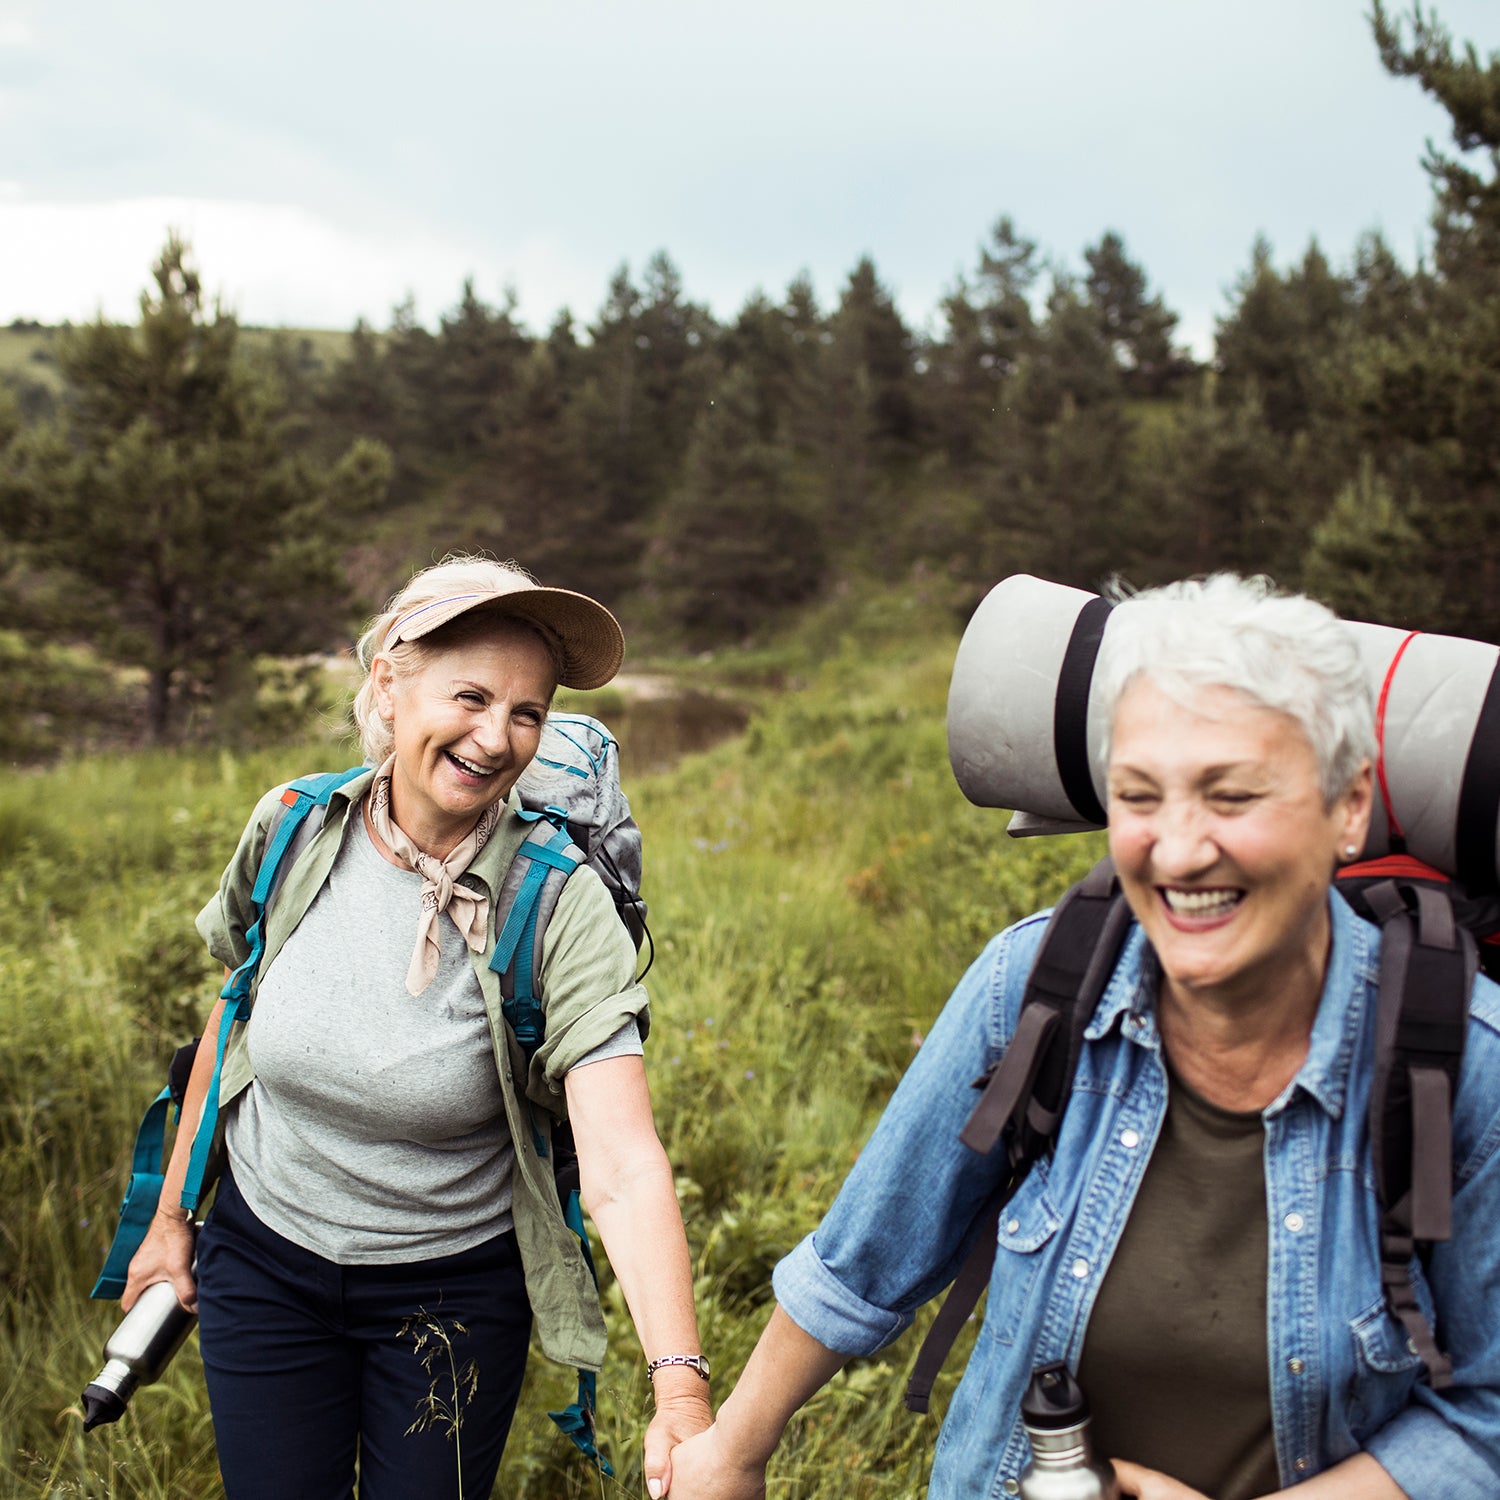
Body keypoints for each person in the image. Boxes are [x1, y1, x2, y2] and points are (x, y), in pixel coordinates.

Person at [669, 575, 1500, 1500]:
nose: (1179, 852)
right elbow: (867, 1254)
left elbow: (1488, 1420)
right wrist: (732, 1452)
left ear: (1348, 806)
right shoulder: (1032, 988)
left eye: (1231, 796)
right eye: (1140, 797)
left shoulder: (1468, 1070)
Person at [122, 556, 711, 1499]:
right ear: (390, 684)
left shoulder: (558, 903)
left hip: (451, 1298)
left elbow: (623, 1164)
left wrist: (678, 1391)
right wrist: (168, 1220)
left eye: (528, 712)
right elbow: (232, 1021)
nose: (496, 737)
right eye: (471, 695)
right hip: (262, 1260)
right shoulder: (292, 829)